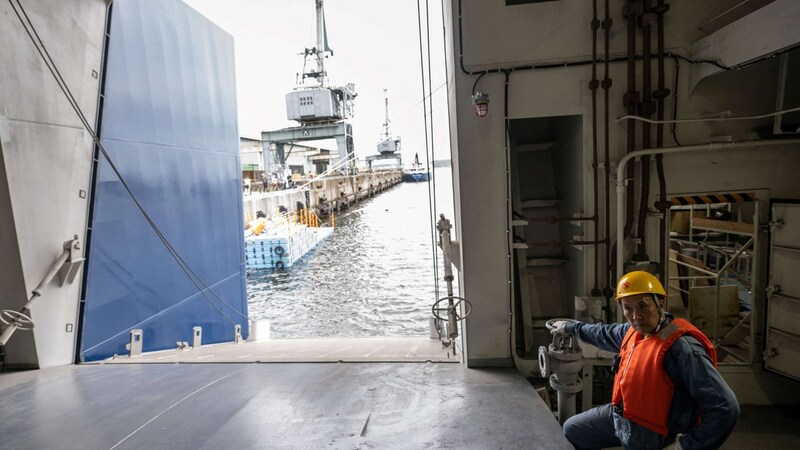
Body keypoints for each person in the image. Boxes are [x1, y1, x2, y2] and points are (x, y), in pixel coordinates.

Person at [552, 271, 739, 450]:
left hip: (653, 433)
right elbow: (601, 333)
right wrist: (569, 327)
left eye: (643, 305)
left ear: (661, 304)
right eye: (628, 308)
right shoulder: (632, 331)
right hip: (621, 417)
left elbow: (725, 407)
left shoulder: (683, 348)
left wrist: (684, 447)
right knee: (574, 430)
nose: (636, 316)